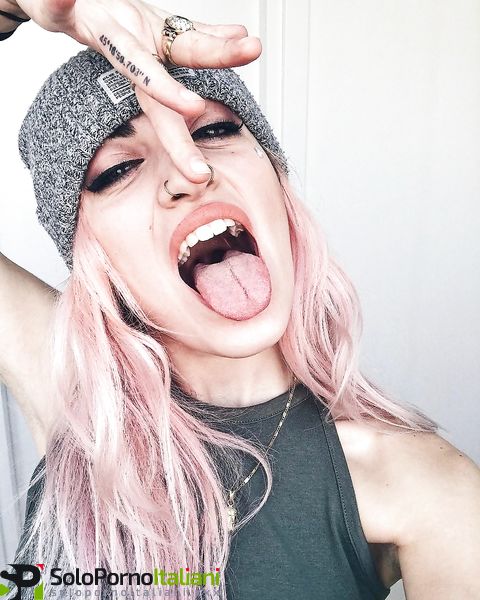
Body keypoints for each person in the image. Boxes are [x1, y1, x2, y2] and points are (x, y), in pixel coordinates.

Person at [1, 1, 479, 599]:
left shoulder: (423, 485)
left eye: (213, 130)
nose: (189, 170)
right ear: (94, 258)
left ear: (277, 184)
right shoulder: (78, 398)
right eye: (117, 170)